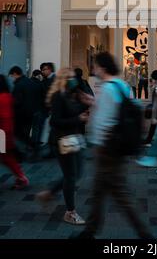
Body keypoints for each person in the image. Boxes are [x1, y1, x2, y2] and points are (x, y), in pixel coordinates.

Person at [74, 52, 152, 239]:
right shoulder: (121, 85)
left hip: (108, 148)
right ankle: (89, 232)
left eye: (95, 66)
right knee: (99, 191)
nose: (94, 69)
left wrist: (97, 142)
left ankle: (145, 235)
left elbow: (104, 120)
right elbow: (123, 109)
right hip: (115, 146)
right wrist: (93, 101)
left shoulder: (107, 88)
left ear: (103, 67)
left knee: (119, 194)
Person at [36, 68, 89, 225]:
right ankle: (70, 212)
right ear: (64, 80)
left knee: (76, 173)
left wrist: (84, 106)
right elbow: (55, 121)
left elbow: (72, 112)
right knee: (71, 175)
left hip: (73, 138)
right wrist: (78, 118)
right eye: (71, 78)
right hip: (61, 140)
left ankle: (48, 193)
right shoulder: (59, 96)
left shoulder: (70, 95)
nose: (74, 80)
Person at [0, 75, 29, 189]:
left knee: (7, 157)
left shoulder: (1, 98)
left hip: (2, 133)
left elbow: (3, 117)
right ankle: (21, 177)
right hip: (7, 132)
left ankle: (22, 178)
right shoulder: (8, 96)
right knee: (7, 157)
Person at [8, 66, 36, 153]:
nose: (12, 78)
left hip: (21, 114)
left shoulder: (19, 85)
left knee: (19, 134)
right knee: (25, 133)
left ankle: (23, 152)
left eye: (12, 76)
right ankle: (31, 147)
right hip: (31, 112)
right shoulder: (30, 82)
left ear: (15, 74)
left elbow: (17, 101)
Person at [30, 70, 46, 160]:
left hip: (30, 110)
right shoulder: (40, 84)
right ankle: (35, 148)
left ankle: (32, 146)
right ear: (39, 75)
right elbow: (44, 97)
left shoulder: (28, 83)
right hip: (39, 109)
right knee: (37, 129)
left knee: (33, 129)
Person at [143, 70, 157, 146]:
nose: (151, 80)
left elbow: (156, 100)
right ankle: (148, 140)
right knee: (153, 127)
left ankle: (149, 141)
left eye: (152, 78)